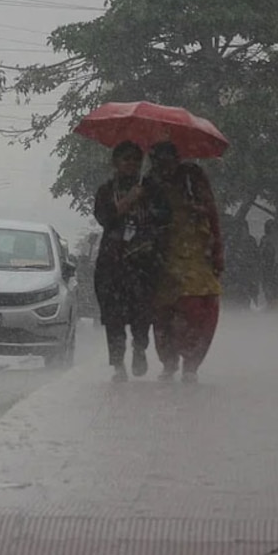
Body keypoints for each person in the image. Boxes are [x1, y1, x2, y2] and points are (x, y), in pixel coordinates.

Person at [147, 141, 224, 384]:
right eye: (159, 161)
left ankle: (191, 364)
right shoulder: (150, 182)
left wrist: (195, 209)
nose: (165, 166)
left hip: (196, 257)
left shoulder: (193, 176)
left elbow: (211, 213)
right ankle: (169, 362)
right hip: (163, 258)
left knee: (198, 311)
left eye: (169, 160)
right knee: (163, 315)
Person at [92, 141, 169, 382]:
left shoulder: (151, 188)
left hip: (144, 264)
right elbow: (105, 218)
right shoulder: (106, 191)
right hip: (113, 264)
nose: (131, 164)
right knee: (113, 317)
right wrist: (127, 202)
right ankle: (117, 365)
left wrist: (147, 206)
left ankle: (139, 348)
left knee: (142, 313)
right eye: (126, 159)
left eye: (136, 160)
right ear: (115, 163)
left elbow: (166, 216)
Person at [260, 218, 278, 309]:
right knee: (267, 288)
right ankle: (269, 304)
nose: (272, 229)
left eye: (274, 227)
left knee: (276, 290)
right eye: (270, 227)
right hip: (267, 268)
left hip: (275, 268)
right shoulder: (264, 239)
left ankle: (275, 307)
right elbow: (261, 253)